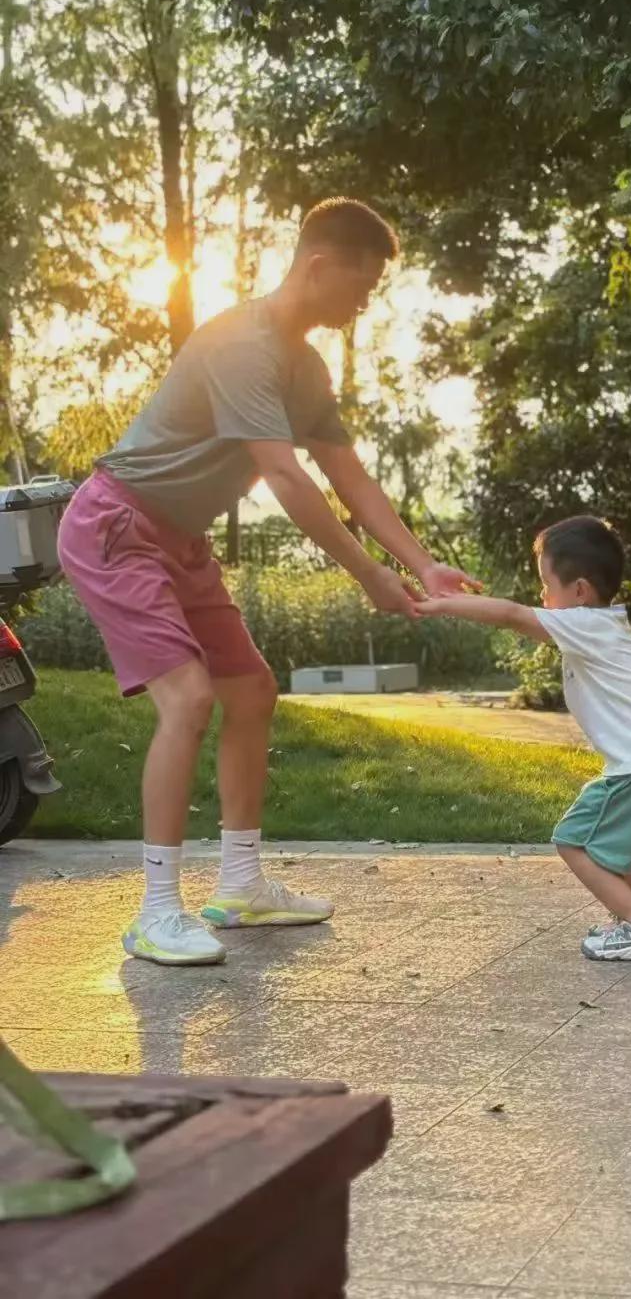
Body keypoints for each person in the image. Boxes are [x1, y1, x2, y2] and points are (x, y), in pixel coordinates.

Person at [58, 197, 476, 966]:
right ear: (318, 265)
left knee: (251, 689)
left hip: (178, 540)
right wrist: (367, 576)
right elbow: (283, 474)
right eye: (362, 284)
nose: (365, 302)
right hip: (116, 527)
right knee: (188, 696)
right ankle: (155, 911)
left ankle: (242, 883)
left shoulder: (305, 367)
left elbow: (345, 471)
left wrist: (419, 564)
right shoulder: (243, 345)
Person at [417, 515, 631, 961]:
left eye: (547, 584)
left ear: (580, 591)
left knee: (574, 839)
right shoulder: (602, 628)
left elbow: (511, 615)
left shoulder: (587, 623)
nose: (542, 596)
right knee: (608, 849)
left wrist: (440, 604)